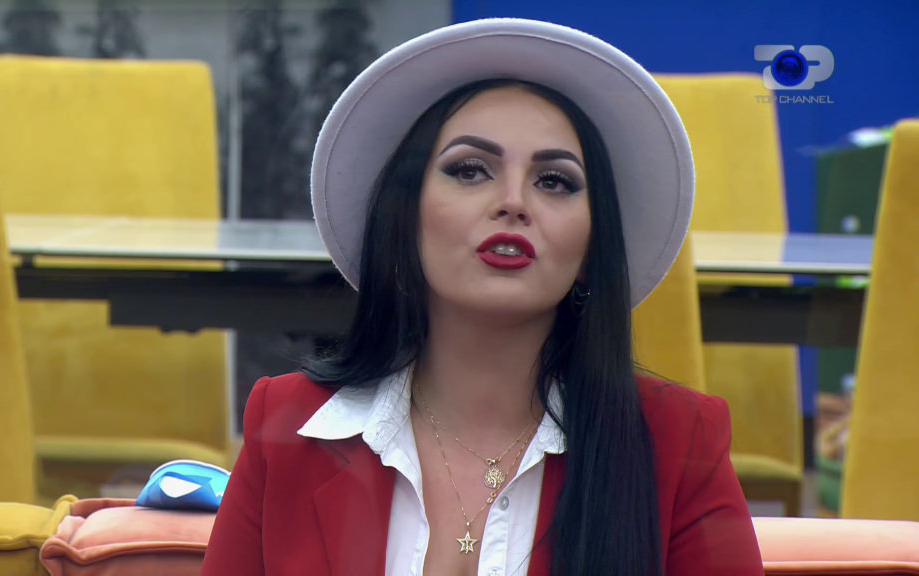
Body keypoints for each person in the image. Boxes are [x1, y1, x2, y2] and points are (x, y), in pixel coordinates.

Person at [202, 18, 764, 576]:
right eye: (470, 170)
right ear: (405, 218)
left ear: (593, 249)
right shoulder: (288, 426)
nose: (513, 201)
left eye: (554, 181)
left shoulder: (680, 443)